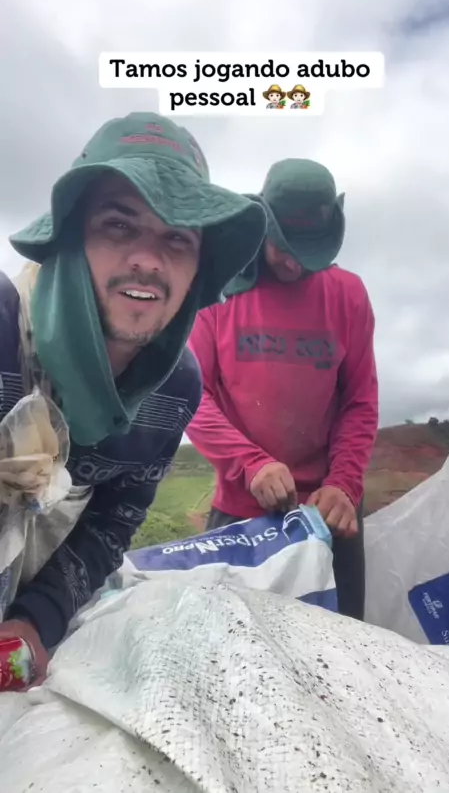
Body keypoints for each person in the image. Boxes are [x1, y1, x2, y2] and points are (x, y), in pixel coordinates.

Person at [0, 112, 267, 683]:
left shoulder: (176, 389)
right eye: (119, 226)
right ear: (70, 238)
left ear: (198, 269)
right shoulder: (3, 328)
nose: (148, 258)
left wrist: (34, 622)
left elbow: (112, 521)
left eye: (178, 237)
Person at [186, 158, 379, 620]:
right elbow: (191, 397)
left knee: (344, 646)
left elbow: (359, 402)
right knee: (234, 644)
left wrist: (344, 483)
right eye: (283, 247)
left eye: (308, 251)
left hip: (330, 513)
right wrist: (251, 464)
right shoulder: (218, 292)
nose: (294, 262)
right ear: (263, 225)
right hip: (242, 509)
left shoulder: (348, 294)